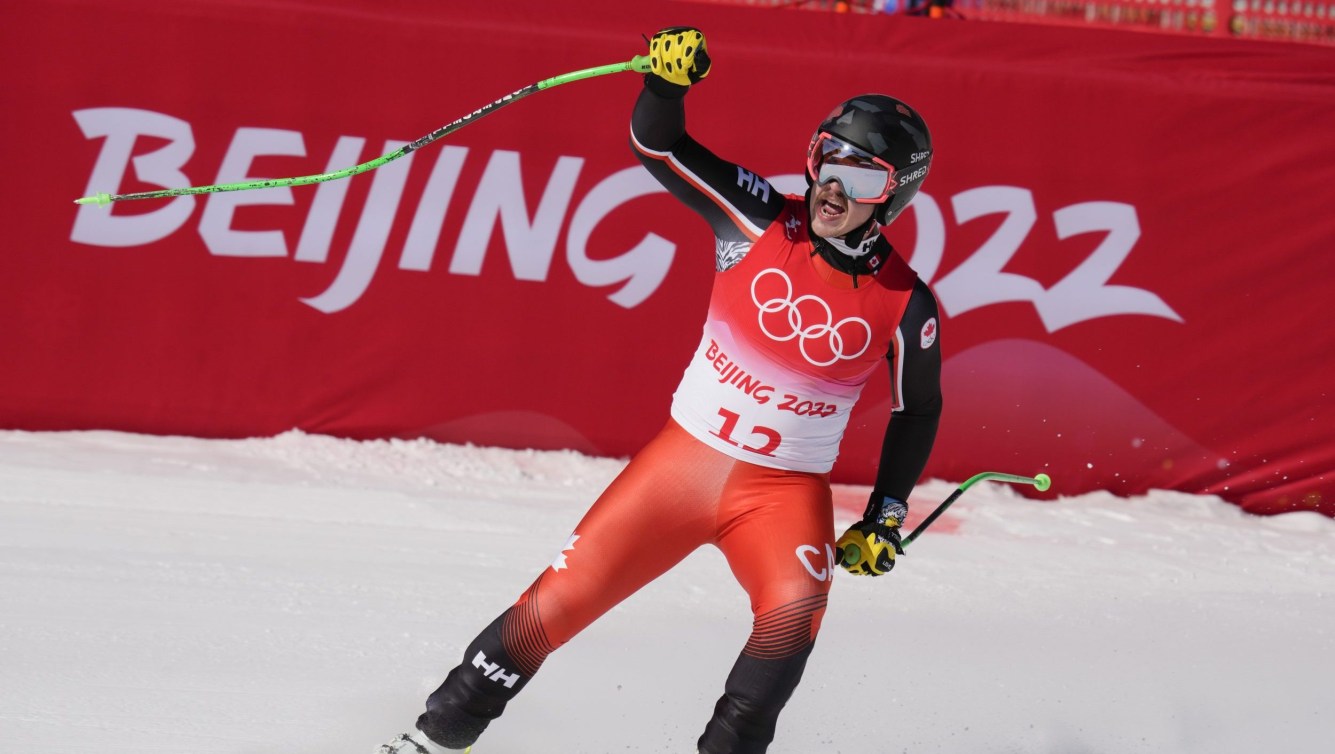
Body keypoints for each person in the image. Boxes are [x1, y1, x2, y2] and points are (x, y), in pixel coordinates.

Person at [377, 26, 943, 754]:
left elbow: (918, 407)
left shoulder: (906, 300)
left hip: (783, 492)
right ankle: (432, 739)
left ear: (894, 192)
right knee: (556, 603)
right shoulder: (757, 217)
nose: (833, 186)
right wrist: (665, 86)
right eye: (825, 160)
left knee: (793, 618)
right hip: (683, 467)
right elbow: (659, 147)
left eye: (861, 175)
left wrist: (886, 515)